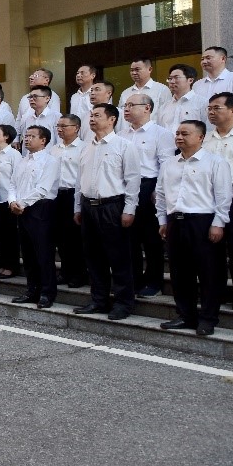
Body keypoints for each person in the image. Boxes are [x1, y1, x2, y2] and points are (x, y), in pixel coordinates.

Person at [156, 120, 232, 336]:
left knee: (209, 273)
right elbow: (161, 194)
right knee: (180, 273)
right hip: (175, 222)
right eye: (177, 133)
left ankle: (208, 319)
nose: (179, 137)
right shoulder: (169, 164)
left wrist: (218, 223)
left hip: (203, 222)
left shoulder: (215, 162)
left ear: (200, 137)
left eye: (185, 133)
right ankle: (186, 316)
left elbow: (223, 196)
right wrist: (162, 220)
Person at [75, 104, 141, 321]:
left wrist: (129, 208)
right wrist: (78, 207)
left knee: (119, 257)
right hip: (88, 205)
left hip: (112, 206)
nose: (92, 119)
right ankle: (99, 300)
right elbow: (79, 181)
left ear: (112, 119)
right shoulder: (86, 147)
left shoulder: (124, 145)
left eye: (97, 115)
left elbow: (132, 180)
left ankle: (123, 303)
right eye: (91, 115)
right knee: (93, 257)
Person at [120, 93, 174, 297]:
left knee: (151, 239)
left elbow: (166, 165)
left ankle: (154, 281)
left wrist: (157, 191)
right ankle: (133, 279)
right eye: (125, 105)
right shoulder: (122, 135)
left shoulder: (161, 134)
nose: (126, 108)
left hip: (148, 186)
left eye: (131, 105)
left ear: (147, 108)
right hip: (124, 187)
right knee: (128, 238)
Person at [10, 126, 61, 308]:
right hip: (21, 209)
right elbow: (12, 184)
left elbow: (43, 188)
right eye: (26, 136)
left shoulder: (50, 161)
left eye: (32, 136)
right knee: (29, 253)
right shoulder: (22, 161)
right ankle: (32, 290)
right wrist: (12, 201)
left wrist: (21, 203)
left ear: (43, 140)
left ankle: (47, 293)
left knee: (44, 253)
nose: (27, 139)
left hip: (41, 209)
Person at [205, 93, 233, 311]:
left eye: (217, 108)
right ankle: (217, 290)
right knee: (213, 246)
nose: (211, 112)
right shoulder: (207, 138)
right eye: (209, 108)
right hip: (210, 197)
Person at [50, 115, 87, 288]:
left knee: (75, 237)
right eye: (58, 126)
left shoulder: (84, 148)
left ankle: (79, 274)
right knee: (60, 236)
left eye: (64, 126)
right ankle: (65, 271)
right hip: (57, 195)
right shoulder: (54, 149)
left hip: (75, 194)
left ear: (77, 127)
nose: (60, 129)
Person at [0, 125, 22, 279]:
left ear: (7, 137)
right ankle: (1, 264)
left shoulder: (14, 155)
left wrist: (13, 199)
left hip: (7, 199)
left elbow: (17, 178)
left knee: (9, 235)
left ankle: (11, 266)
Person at [158, 64, 208, 133]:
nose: (172, 82)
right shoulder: (164, 107)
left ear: (190, 80)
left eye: (176, 78)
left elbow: (208, 129)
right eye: (170, 78)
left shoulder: (202, 103)